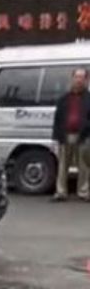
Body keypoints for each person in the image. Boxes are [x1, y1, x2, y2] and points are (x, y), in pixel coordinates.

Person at [52, 68, 90, 202]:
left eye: (82, 77)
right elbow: (57, 119)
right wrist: (55, 138)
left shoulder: (88, 98)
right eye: (76, 77)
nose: (78, 80)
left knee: (84, 166)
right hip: (65, 135)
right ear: (72, 79)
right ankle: (61, 192)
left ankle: (83, 192)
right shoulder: (63, 99)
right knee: (63, 165)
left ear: (86, 80)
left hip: (84, 137)